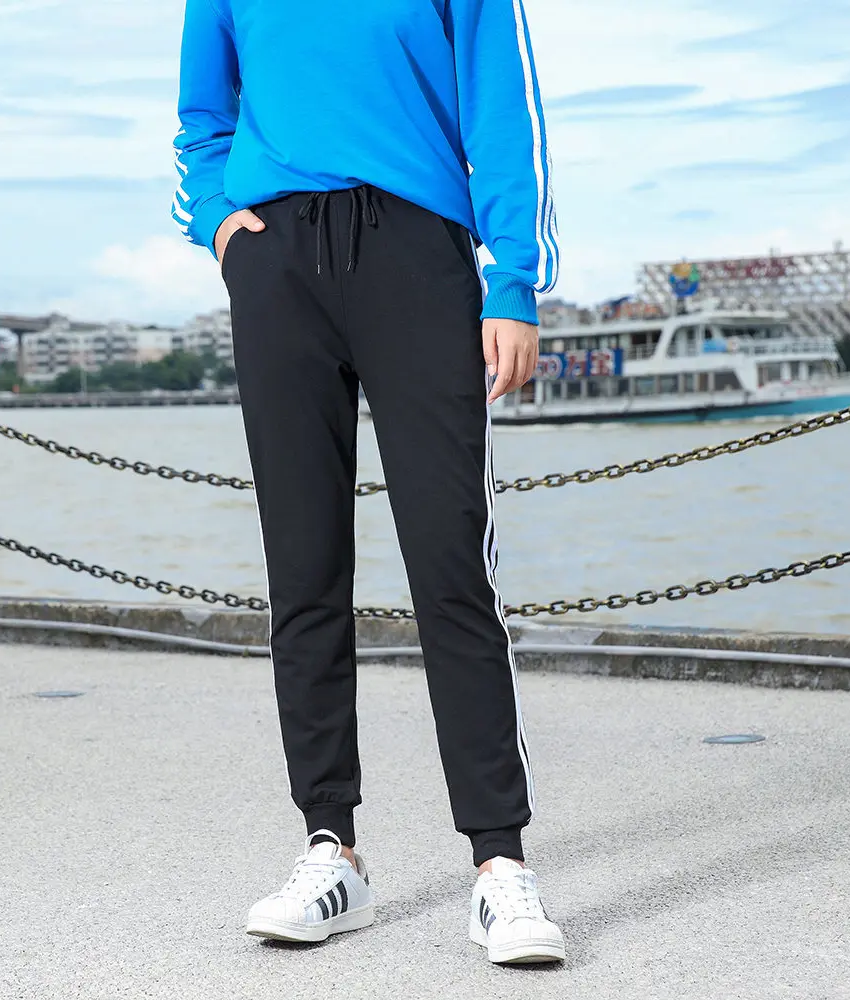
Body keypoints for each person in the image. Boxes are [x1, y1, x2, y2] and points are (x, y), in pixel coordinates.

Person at [172, 0, 563, 965]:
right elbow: (201, 116)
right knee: (303, 567)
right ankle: (330, 849)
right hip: (275, 265)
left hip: (417, 256)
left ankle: (499, 864)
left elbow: (502, 106)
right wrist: (220, 224)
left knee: (451, 563)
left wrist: (513, 279)